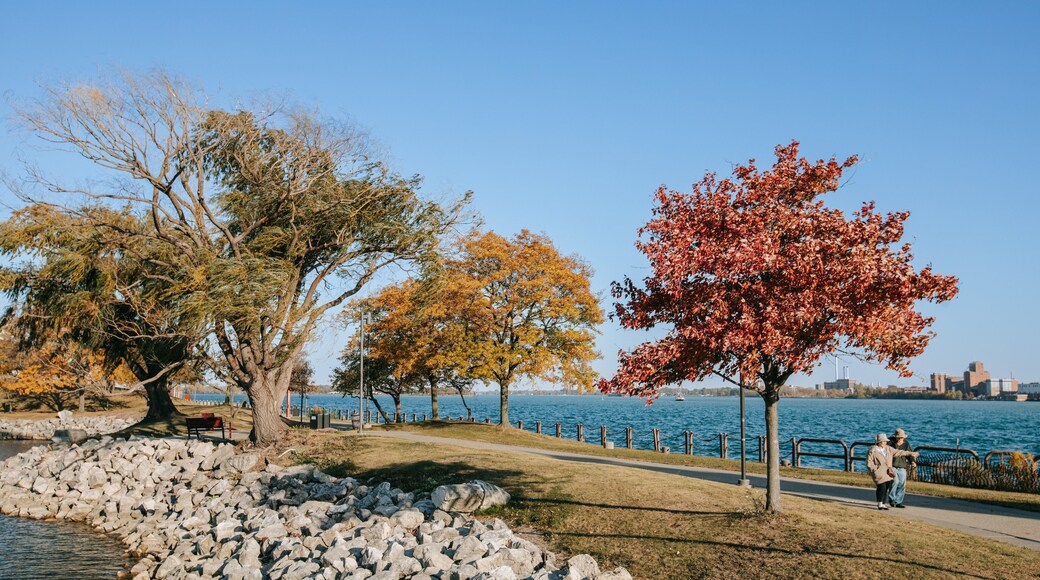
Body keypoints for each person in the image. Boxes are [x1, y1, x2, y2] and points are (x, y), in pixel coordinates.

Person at [866, 433, 918, 510]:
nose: (886, 442)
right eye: (884, 441)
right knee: (881, 486)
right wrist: (873, 469)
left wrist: (911, 453)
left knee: (886, 486)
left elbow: (899, 452)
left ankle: (883, 503)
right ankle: (880, 503)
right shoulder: (873, 450)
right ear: (880, 442)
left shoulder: (888, 449)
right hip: (879, 471)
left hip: (888, 471)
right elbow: (869, 461)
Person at [887, 428, 914, 508]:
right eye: (899, 437)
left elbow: (909, 454)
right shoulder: (890, 442)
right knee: (895, 481)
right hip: (892, 465)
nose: (900, 439)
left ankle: (898, 501)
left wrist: (912, 461)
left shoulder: (906, 444)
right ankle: (892, 499)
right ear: (895, 437)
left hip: (902, 466)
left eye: (902, 437)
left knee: (902, 483)